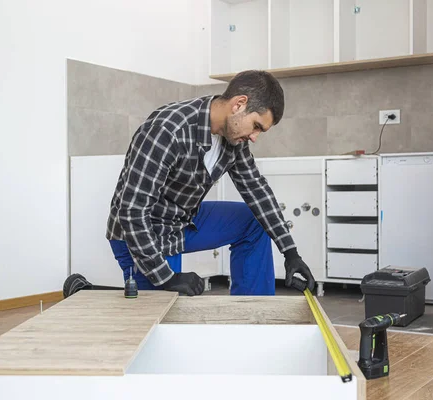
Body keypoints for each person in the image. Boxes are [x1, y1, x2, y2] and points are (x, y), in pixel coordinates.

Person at [106, 70, 316, 296]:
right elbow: (132, 212)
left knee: (253, 222)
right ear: (239, 104)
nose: (255, 137)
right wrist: (167, 277)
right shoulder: (168, 130)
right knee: (165, 318)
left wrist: (290, 252)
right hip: (144, 231)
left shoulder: (233, 139)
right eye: (256, 126)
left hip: (182, 219)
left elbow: (257, 190)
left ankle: (254, 317)